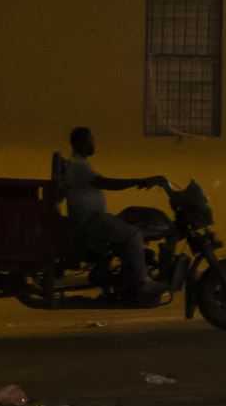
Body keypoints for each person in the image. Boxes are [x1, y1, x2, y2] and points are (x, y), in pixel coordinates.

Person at [59, 127, 165, 305]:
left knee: (128, 226)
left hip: (94, 218)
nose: (93, 144)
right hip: (91, 220)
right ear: (78, 143)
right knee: (133, 234)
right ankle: (142, 282)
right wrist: (139, 181)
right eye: (90, 140)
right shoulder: (78, 165)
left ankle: (125, 280)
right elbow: (106, 183)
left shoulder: (80, 163)